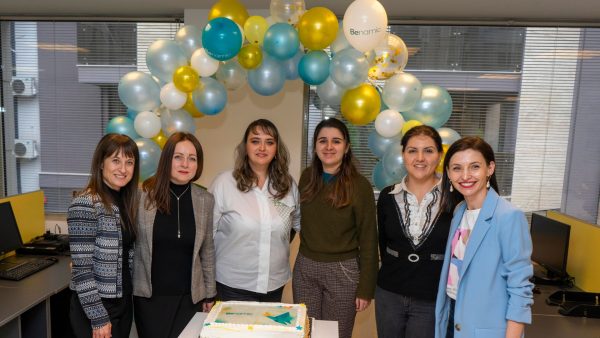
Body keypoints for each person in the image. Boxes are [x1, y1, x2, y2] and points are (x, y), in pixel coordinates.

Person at [434, 136, 533, 338]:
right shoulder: (459, 211)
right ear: (448, 173)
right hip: (453, 317)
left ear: (490, 169)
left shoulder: (508, 217)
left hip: (486, 328)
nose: (465, 175)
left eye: (475, 167)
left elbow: (520, 289)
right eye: (457, 168)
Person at [293, 117, 378, 338]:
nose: (329, 147)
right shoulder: (306, 178)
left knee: (335, 335)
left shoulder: (360, 186)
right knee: (306, 332)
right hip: (306, 268)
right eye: (323, 141)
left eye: (336, 141)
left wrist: (366, 288)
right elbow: (294, 221)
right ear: (315, 146)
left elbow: (369, 238)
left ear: (347, 147)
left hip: (343, 271)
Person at [133, 132, 216, 338]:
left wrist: (210, 293)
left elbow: (207, 250)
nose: (185, 164)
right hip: (150, 300)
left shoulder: (205, 200)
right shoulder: (142, 197)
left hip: (190, 299)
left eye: (192, 158)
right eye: (178, 156)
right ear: (166, 159)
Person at [209, 119, 300, 302]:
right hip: (231, 286)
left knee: (268, 332)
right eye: (255, 141)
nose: (262, 148)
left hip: (274, 284)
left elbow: (296, 223)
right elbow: (206, 236)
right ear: (246, 147)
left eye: (269, 142)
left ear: (276, 149)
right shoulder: (224, 183)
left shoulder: (288, 185)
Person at [376, 125, 452, 338]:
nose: (420, 158)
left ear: (439, 155)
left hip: (431, 297)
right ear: (403, 155)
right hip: (389, 293)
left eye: (428, 150)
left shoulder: (455, 198)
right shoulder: (387, 196)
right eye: (412, 150)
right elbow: (383, 243)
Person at [68, 133, 139, 338]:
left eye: (129, 162)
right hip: (97, 308)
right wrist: (98, 317)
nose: (123, 169)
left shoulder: (126, 202)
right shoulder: (86, 203)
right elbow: (82, 270)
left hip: (122, 303)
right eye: (115, 160)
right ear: (101, 163)